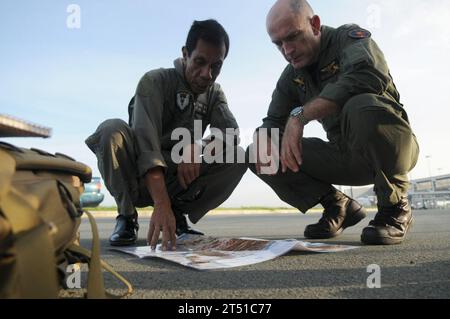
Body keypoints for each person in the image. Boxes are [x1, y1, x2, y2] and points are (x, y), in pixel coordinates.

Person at [248, 0, 419, 245]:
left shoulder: (348, 39)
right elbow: (272, 120)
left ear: (315, 24)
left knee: (360, 105)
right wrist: (264, 135)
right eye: (279, 44)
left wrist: (300, 116)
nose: (288, 51)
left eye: (293, 37)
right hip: (344, 157)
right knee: (259, 152)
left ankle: (395, 206)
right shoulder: (292, 76)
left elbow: (368, 75)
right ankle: (337, 206)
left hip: (393, 149)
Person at [86, 20, 247, 250]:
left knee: (236, 156)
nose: (207, 74)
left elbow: (230, 133)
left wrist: (199, 148)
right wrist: (160, 204)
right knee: (110, 130)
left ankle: (178, 213)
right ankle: (126, 216)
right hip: (139, 175)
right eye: (200, 62)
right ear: (185, 54)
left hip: (177, 179)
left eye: (216, 66)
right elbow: (146, 146)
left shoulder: (214, 93)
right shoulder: (154, 81)